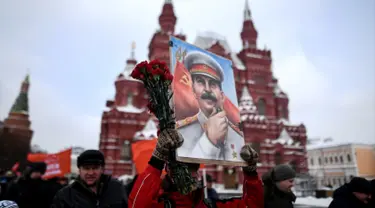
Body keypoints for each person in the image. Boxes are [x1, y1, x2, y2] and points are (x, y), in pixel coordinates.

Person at [128, 128, 263, 207]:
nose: (193, 175)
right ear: (169, 170)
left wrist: (250, 172)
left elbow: (251, 205)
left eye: (195, 169)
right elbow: (137, 205)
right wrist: (157, 160)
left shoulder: (207, 205)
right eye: (186, 168)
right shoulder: (161, 204)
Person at [176, 50, 244, 161]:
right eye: (201, 82)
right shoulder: (181, 133)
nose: (207, 89)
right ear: (193, 91)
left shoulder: (237, 137)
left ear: (222, 96)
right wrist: (208, 141)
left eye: (213, 84)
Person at [51, 150, 127, 208]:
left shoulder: (117, 188)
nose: (91, 173)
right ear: (79, 170)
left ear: (102, 169)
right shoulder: (65, 195)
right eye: (86, 168)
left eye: (95, 168)